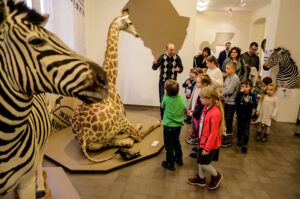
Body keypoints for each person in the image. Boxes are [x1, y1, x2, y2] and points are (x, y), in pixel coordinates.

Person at [187, 86, 224, 190]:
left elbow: (213, 134)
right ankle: (201, 179)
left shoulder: (215, 113)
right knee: (200, 161)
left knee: (204, 163)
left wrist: (207, 148)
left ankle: (217, 176)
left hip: (209, 144)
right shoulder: (206, 107)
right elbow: (203, 124)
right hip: (202, 141)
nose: (200, 99)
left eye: (202, 98)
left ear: (210, 99)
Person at [152, 43, 183, 119]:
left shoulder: (177, 57)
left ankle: (171, 114)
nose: (172, 51)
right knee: (162, 98)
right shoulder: (162, 57)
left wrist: (179, 70)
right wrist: (154, 64)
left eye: (173, 50)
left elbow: (181, 67)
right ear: (166, 49)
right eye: (170, 50)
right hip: (163, 82)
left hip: (173, 83)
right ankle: (163, 116)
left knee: (172, 99)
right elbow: (155, 68)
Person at [161, 80, 185, 170]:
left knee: (168, 145)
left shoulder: (166, 98)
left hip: (168, 126)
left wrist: (165, 95)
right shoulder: (181, 98)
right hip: (178, 126)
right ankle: (179, 160)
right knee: (176, 142)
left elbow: (162, 106)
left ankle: (170, 163)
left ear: (166, 91)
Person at [187, 74, 212, 158]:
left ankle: (200, 152)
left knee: (201, 136)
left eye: (198, 82)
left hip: (200, 117)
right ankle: (199, 148)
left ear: (204, 84)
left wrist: (193, 113)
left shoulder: (205, 93)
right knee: (199, 135)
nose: (196, 84)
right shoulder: (201, 90)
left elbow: (201, 107)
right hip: (198, 115)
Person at [221, 62, 240, 148]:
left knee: (229, 119)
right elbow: (224, 87)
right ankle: (225, 134)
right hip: (227, 101)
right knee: (225, 119)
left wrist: (222, 94)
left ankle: (229, 136)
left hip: (232, 102)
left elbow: (230, 91)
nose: (226, 70)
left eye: (228, 68)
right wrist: (226, 89)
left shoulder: (235, 78)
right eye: (226, 68)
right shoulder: (228, 77)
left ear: (234, 70)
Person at [235, 79, 257, 153]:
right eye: (243, 86)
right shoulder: (239, 94)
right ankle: (239, 139)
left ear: (250, 87)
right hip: (239, 115)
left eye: (246, 86)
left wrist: (249, 102)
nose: (244, 88)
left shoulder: (252, 96)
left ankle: (245, 144)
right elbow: (236, 101)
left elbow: (254, 105)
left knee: (246, 130)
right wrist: (240, 93)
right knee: (239, 129)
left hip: (247, 116)